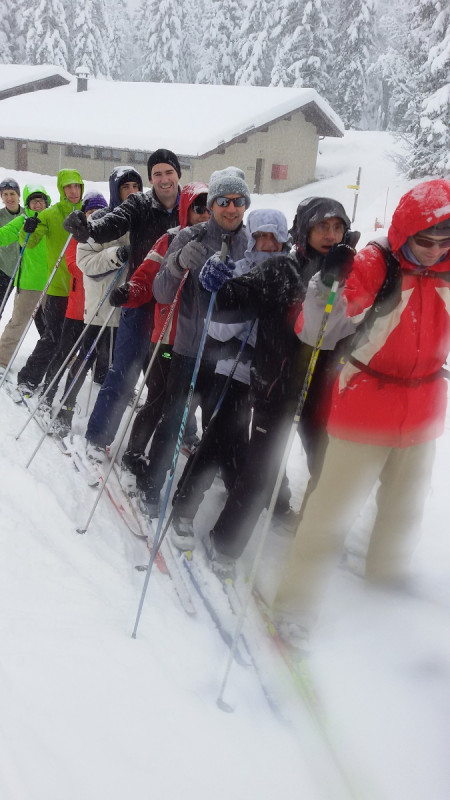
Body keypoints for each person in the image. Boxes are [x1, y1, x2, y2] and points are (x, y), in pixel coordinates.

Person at [273, 178, 450, 650]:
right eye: (425, 241)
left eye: (444, 241)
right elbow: (316, 330)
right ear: (406, 233)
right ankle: (294, 603)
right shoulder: (378, 262)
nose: (435, 251)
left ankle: (385, 574)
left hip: (423, 409)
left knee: (405, 505)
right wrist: (326, 285)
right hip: (365, 405)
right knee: (331, 510)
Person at [170, 208, 292, 553]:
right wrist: (245, 302)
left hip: (274, 374)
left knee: (268, 447)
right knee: (217, 438)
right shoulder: (237, 270)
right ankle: (184, 507)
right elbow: (216, 327)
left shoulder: (292, 273)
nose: (267, 244)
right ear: (251, 238)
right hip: (235, 367)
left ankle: (269, 499)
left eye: (273, 237)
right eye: (260, 236)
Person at [137, 166, 251, 516]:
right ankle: (151, 485)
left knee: (222, 430)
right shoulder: (190, 236)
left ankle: (206, 494)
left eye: (238, 201)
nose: (230, 208)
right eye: (222, 201)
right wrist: (177, 263)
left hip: (230, 357)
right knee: (174, 421)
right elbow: (160, 293)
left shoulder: (252, 242)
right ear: (212, 204)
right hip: (189, 349)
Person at [63, 149, 182, 461]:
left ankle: (163, 444)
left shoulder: (189, 205)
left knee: (169, 378)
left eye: (168, 172)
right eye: (157, 174)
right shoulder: (139, 204)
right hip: (138, 300)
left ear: (178, 174)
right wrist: (88, 229)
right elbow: (113, 223)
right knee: (124, 373)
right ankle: (96, 439)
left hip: (174, 307)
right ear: (151, 178)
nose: (163, 179)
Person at [110, 181, 210, 475]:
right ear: (185, 210)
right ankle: (134, 453)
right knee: (158, 397)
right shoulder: (170, 240)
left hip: (203, 342)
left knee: (189, 400)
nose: (204, 214)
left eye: (209, 207)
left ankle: (185, 439)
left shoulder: (222, 244)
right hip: (167, 340)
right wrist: (129, 292)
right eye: (198, 208)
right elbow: (146, 278)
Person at [16, 169, 84, 394]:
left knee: (75, 340)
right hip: (58, 287)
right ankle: (28, 378)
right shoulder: (50, 214)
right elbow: (30, 242)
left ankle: (61, 382)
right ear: (61, 189)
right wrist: (27, 230)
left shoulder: (87, 211)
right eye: (68, 187)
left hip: (82, 289)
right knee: (53, 337)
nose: (73, 191)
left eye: (77, 186)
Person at [0, 185, 51, 375]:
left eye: (41, 200)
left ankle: (64, 360)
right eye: (33, 201)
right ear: (28, 203)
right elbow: (4, 235)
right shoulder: (22, 220)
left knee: (57, 326)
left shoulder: (52, 219)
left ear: (46, 202)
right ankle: (2, 360)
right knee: (17, 323)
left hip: (53, 283)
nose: (37, 204)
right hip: (29, 283)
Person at [0, 178, 24, 311]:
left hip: (25, 273)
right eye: (5, 194)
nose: (9, 198)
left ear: (18, 196)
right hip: (4, 270)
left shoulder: (27, 215)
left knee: (29, 310)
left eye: (12, 194)